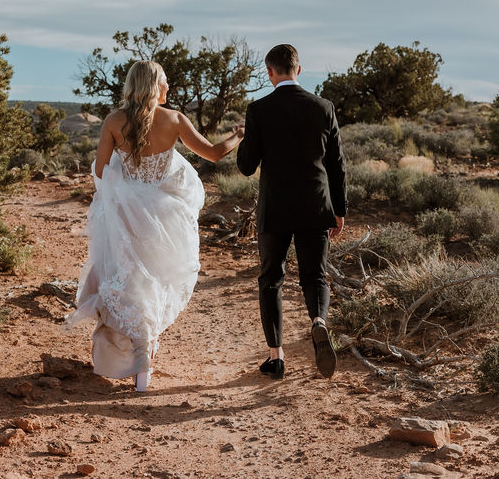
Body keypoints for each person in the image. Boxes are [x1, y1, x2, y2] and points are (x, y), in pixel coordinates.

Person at [65, 60, 243, 392]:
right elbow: (215, 154)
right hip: (163, 217)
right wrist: (237, 136)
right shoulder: (175, 119)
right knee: (154, 283)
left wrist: (121, 190)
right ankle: (143, 365)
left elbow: (101, 173)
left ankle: (136, 357)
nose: (168, 89)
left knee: (130, 283)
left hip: (126, 215)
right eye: (165, 82)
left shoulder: (114, 121)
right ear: (153, 86)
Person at [237, 44, 347, 379]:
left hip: (275, 210)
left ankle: (277, 357)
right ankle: (318, 321)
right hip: (316, 204)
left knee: (271, 279)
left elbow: (245, 166)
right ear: (299, 70)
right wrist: (338, 210)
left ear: (270, 72)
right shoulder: (324, 107)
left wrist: (245, 138)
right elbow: (337, 165)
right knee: (314, 276)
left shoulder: (259, 110)